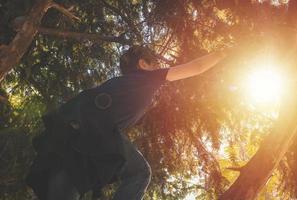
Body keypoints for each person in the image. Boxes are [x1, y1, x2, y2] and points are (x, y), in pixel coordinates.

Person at [26, 46, 227, 200]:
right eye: (154, 63)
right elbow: (196, 67)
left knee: (69, 180)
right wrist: (223, 52)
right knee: (140, 172)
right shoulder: (147, 78)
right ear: (142, 64)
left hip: (71, 133)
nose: (158, 67)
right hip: (93, 129)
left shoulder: (124, 85)